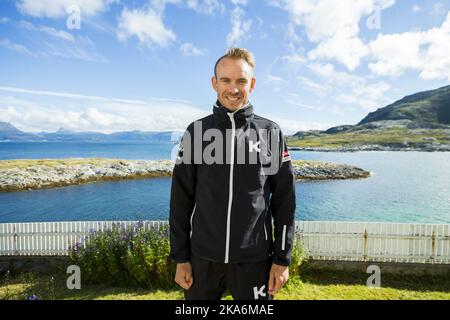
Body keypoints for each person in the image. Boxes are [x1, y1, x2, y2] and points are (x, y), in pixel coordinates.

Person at [169, 47, 296, 300]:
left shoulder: (270, 133)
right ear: (214, 83)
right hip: (202, 260)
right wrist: (181, 258)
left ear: (253, 84)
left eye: (241, 81)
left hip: (255, 262)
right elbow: (180, 201)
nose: (233, 88)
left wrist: (282, 260)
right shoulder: (196, 133)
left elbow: (285, 202)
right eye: (225, 80)